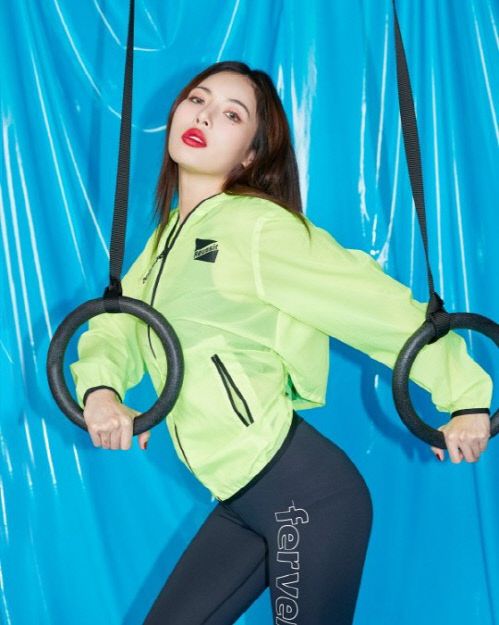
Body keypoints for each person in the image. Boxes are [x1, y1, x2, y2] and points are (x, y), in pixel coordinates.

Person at [69, 61, 492, 624]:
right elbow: (118, 324)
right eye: (198, 100)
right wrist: (102, 391)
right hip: (244, 498)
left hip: (306, 496)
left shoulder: (256, 226)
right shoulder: (166, 238)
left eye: (231, 114)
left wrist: (465, 397)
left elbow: (369, 301)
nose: (204, 116)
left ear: (250, 154)